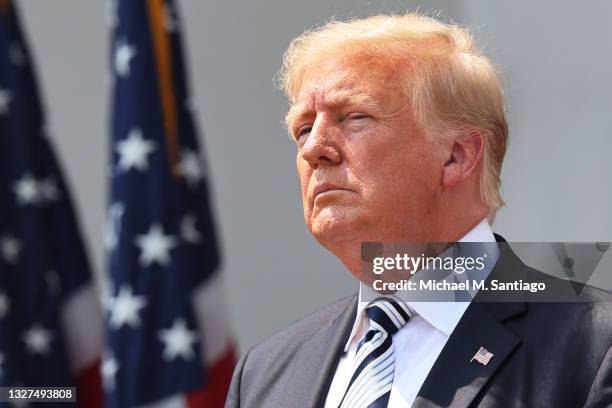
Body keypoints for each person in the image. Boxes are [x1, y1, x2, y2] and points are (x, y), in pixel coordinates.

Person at [225, 13, 612, 408]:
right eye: (304, 128)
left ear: (456, 156)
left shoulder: (595, 347)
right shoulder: (264, 375)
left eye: (355, 117)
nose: (313, 149)